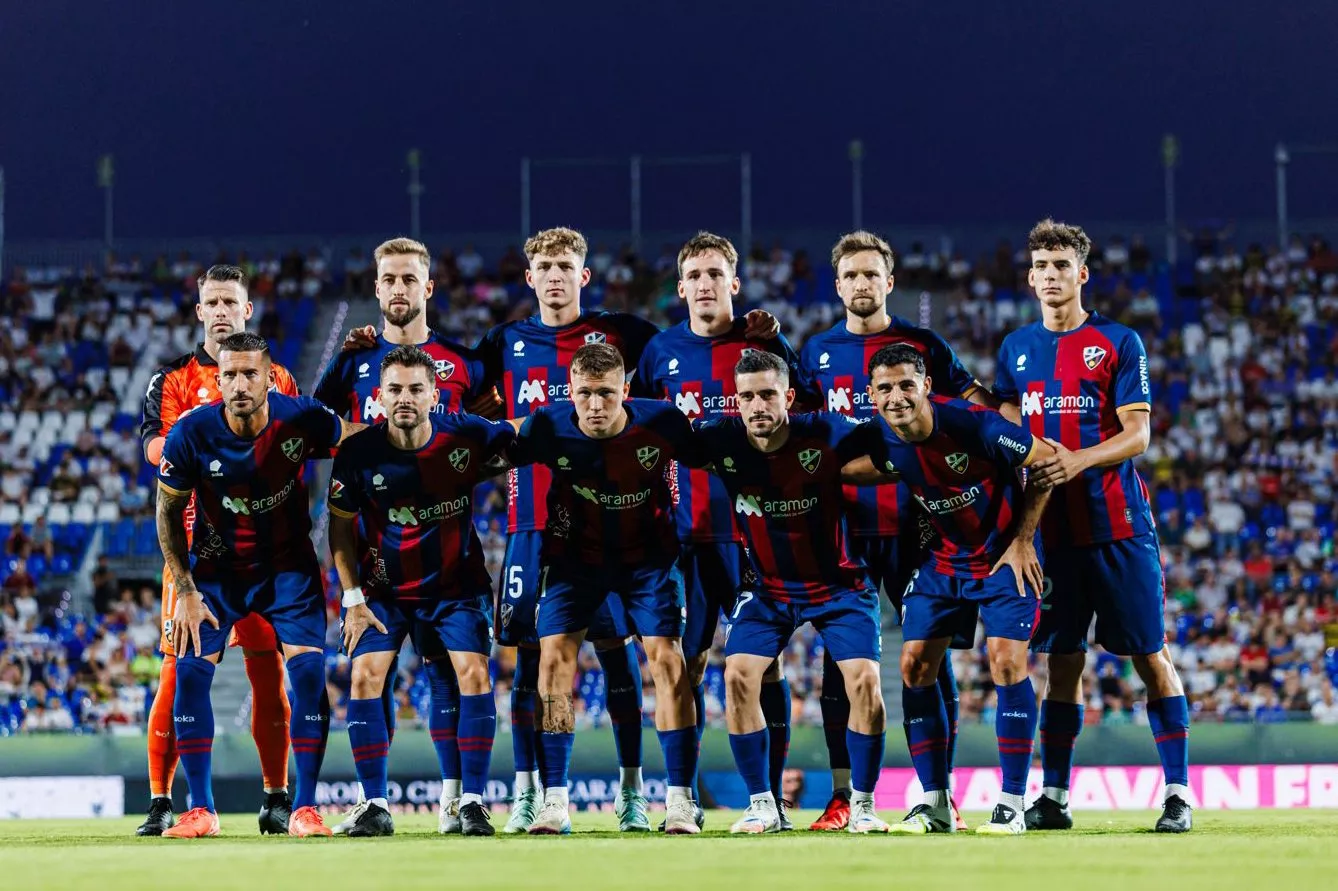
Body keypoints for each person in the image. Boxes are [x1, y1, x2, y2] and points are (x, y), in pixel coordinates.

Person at [993, 219, 1192, 834]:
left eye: (1062, 266)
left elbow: (1139, 433)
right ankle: (1053, 796)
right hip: (1052, 537)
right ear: (1030, 278)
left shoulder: (1118, 341)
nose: (1051, 276)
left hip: (1119, 528)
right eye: (1041, 267)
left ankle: (1179, 793)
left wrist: (1075, 459)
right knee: (1063, 661)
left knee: (1150, 655)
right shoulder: (1015, 350)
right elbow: (1005, 438)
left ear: (1082, 273)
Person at [799, 230, 1001, 830]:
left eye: (871, 275)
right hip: (845, 524)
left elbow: (974, 406)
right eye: (851, 276)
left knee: (928, 660)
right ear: (838, 287)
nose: (862, 284)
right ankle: (843, 798)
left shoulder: (923, 344)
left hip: (919, 522)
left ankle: (935, 795)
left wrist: (1014, 416)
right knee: (843, 661)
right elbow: (802, 429)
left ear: (890, 282)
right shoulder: (816, 353)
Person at [154, 332, 361, 838]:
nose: (240, 384)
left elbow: (359, 437)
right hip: (217, 571)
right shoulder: (191, 433)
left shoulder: (301, 418)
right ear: (218, 379)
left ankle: (305, 809)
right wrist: (185, 591)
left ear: (270, 377)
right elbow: (166, 512)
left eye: (251, 374)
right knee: (189, 672)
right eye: (230, 374)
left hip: (288, 570)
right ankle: (200, 809)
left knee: (310, 677)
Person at [635, 231, 809, 829]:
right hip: (682, 536)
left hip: (754, 536)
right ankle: (680, 798)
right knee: (679, 666)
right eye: (695, 275)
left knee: (767, 666)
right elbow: (639, 436)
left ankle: (771, 801)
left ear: (733, 283)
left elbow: (807, 409)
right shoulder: (659, 353)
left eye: (716, 274)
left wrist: (780, 340)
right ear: (680, 286)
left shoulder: (761, 346)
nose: (705, 284)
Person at [316, 236, 486, 835]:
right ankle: (374, 800)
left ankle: (459, 799)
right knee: (372, 674)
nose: (398, 289)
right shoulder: (353, 364)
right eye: (388, 279)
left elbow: (495, 437)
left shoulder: (465, 363)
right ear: (377, 286)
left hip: (447, 560)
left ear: (427, 286)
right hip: (378, 563)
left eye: (409, 279)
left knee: (451, 673)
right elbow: (315, 430)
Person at [852, 343, 1052, 835]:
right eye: (884, 388)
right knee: (914, 665)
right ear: (871, 395)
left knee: (1006, 662)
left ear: (925, 385)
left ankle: (1011, 804)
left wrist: (1025, 539)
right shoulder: (879, 437)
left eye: (905, 385)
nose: (896, 396)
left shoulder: (973, 424)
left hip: (1004, 556)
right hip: (944, 561)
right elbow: (850, 469)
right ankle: (935, 804)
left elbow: (1046, 460)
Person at [508, 343, 703, 835]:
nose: (595, 405)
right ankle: (554, 800)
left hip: (648, 562)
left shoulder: (663, 424)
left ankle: (680, 800)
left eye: (607, 394)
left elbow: (719, 458)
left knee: (666, 659)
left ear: (626, 390)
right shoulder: (546, 426)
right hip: (574, 561)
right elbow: (483, 455)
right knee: (552, 660)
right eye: (585, 394)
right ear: (569, 390)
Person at [692, 351, 889, 835]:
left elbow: (896, 442)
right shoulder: (720, 438)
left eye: (767, 394)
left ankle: (862, 805)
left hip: (838, 586)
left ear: (789, 397)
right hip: (768, 589)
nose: (757, 405)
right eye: (747, 396)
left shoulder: (826, 432)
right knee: (737, 675)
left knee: (864, 681)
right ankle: (763, 805)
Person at [136, 264, 300, 837]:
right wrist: (203, 436)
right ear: (200, 311)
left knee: (268, 672)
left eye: (232, 300)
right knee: (175, 675)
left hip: (264, 550)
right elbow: (156, 447)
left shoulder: (276, 376)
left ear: (247, 310)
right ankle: (162, 800)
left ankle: (276, 798)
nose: (223, 309)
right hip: (195, 555)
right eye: (213, 301)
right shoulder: (173, 381)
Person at [327, 345, 514, 837]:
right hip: (383, 591)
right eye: (394, 389)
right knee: (364, 677)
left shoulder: (467, 434)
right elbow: (340, 530)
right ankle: (374, 806)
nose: (404, 397)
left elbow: (522, 438)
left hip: (455, 587)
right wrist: (352, 599)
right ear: (379, 397)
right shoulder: (358, 452)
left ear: (435, 393)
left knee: (472, 673)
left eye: (415, 388)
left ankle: (471, 803)